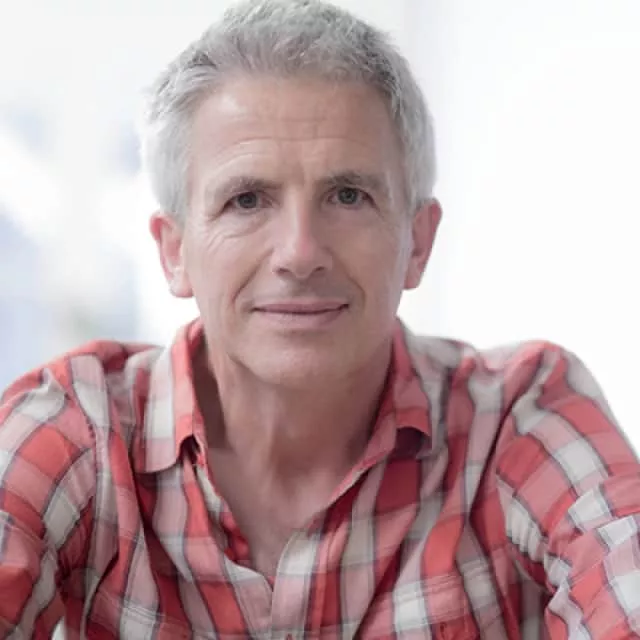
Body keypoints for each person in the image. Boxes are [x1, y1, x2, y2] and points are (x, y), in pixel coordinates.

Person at [1, 0, 639, 637]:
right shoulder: (78, 429)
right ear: (175, 252)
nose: (300, 252)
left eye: (348, 196)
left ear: (417, 243)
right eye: (246, 199)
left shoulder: (520, 416)